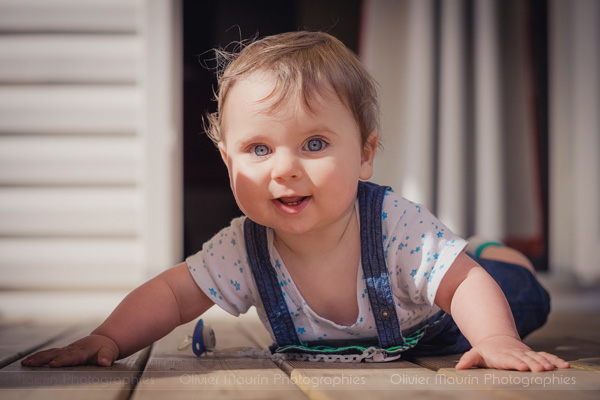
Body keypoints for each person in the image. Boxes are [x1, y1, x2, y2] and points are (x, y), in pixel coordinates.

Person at [22, 31, 569, 371]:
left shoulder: (391, 222)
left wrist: (496, 339)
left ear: (364, 156)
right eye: (259, 148)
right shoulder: (242, 247)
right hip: (389, 338)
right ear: (228, 163)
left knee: (513, 291)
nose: (285, 168)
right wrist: (108, 338)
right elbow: (172, 294)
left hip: (441, 325)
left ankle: (497, 252)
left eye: (314, 144)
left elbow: (461, 285)